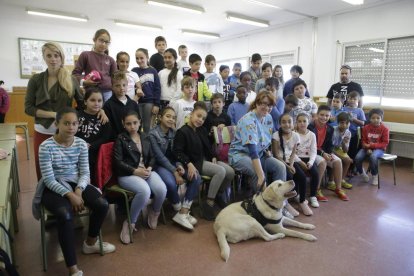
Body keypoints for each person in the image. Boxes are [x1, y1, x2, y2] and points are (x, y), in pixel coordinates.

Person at [35, 107, 115, 276]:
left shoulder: (80, 144)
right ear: (57, 124)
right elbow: (48, 179)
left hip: (75, 182)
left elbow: (85, 172)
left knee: (102, 204)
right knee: (65, 215)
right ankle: (72, 268)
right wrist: (70, 195)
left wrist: (78, 191)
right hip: (53, 186)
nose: (71, 127)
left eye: (74, 123)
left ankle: (90, 243)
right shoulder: (45, 146)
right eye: (66, 123)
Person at [25, 42, 89, 180]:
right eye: (49, 55)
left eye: (56, 55)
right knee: (42, 172)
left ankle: (64, 197)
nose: (53, 59)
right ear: (44, 57)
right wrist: (54, 114)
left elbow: (82, 105)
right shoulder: (36, 80)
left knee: (65, 171)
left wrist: (98, 111)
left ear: (61, 57)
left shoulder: (71, 80)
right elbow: (28, 108)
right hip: (42, 131)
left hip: (65, 133)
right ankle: (44, 199)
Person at [173, 101, 235, 221]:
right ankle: (208, 203)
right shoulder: (182, 131)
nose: (200, 120)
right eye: (198, 116)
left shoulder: (201, 130)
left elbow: (207, 147)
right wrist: (188, 163)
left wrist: (213, 156)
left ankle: (217, 194)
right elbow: (177, 152)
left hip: (206, 160)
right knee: (221, 171)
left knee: (230, 172)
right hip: (195, 163)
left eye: (203, 118)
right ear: (191, 114)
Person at [113, 110, 167, 243]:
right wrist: (135, 171)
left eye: (135, 123)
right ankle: (130, 222)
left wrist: (149, 168)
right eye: (128, 123)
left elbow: (153, 157)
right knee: (145, 191)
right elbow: (117, 162)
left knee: (162, 189)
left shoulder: (145, 136)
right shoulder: (121, 139)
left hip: (145, 171)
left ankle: (154, 213)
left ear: (140, 123)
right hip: (127, 174)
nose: (132, 126)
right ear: (123, 124)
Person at [149, 107, 201, 230]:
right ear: (160, 117)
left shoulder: (174, 132)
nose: (171, 119)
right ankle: (179, 212)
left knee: (195, 177)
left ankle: (184, 212)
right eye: (168, 116)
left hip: (173, 164)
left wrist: (179, 165)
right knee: (171, 183)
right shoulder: (153, 133)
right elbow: (159, 157)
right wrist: (174, 171)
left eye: (173, 117)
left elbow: (176, 153)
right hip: (159, 165)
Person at [228, 90, 286, 195]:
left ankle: (281, 202)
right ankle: (264, 202)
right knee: (257, 172)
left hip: (259, 154)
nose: (267, 107)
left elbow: (264, 138)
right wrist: (261, 176)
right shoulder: (248, 120)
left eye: (270, 105)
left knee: (280, 166)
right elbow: (252, 151)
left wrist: (267, 150)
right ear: (257, 103)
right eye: (263, 103)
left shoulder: (268, 117)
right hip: (240, 155)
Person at [272, 113, 312, 216]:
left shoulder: (295, 135)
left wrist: (292, 165)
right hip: (280, 162)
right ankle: (286, 203)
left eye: (289, 122)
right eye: (283, 122)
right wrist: (288, 167)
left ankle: (302, 201)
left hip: (290, 161)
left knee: (302, 176)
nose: (287, 124)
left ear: (293, 123)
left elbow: (293, 153)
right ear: (280, 124)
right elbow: (276, 155)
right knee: (289, 178)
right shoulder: (276, 135)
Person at [308, 105, 349, 201]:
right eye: (322, 115)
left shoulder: (330, 128)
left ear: (330, 117)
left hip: (323, 152)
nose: (324, 117)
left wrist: (330, 154)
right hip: (311, 153)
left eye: (327, 115)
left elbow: (329, 145)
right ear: (317, 115)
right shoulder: (310, 127)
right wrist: (323, 154)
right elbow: (310, 146)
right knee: (323, 162)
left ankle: (338, 188)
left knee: (337, 161)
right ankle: (316, 189)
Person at [76, 88, 112, 185]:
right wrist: (80, 144)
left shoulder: (103, 118)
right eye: (92, 100)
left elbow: (106, 137)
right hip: (76, 154)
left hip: (94, 155)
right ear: (85, 101)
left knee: (90, 180)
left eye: (99, 101)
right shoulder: (77, 116)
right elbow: (71, 134)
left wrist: (91, 145)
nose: (96, 103)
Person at [72, 29, 117, 102]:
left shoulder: (111, 60)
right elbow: (75, 74)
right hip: (91, 92)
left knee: (107, 112)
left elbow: (116, 78)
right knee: (93, 112)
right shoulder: (85, 55)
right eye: (101, 40)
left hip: (107, 92)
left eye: (106, 42)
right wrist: (84, 82)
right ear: (94, 40)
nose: (103, 44)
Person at [354, 108, 389, 185]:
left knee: (373, 156)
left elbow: (385, 143)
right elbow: (363, 140)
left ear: (381, 118)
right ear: (369, 119)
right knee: (357, 158)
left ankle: (374, 175)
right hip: (366, 148)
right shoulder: (366, 128)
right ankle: (362, 173)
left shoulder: (385, 129)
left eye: (378, 118)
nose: (375, 120)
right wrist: (368, 148)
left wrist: (371, 146)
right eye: (373, 118)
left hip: (379, 149)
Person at [132, 48, 161, 133]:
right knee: (138, 125)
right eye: (137, 58)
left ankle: (148, 145)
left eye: (141, 58)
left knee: (147, 126)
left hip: (150, 102)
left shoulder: (153, 71)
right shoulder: (134, 71)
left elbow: (157, 88)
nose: (139, 60)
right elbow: (131, 86)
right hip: (137, 102)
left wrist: (157, 104)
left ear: (147, 57)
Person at [103, 71, 140, 136]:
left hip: (133, 139)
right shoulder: (108, 105)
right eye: (117, 85)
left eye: (124, 85)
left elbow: (139, 122)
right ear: (112, 87)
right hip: (117, 140)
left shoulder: (133, 104)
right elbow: (109, 127)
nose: (122, 88)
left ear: (127, 85)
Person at [295, 113, 320, 209]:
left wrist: (310, 162)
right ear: (296, 123)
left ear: (308, 122)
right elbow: (292, 152)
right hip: (296, 159)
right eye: (299, 121)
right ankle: (299, 196)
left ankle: (313, 196)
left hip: (308, 159)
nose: (302, 123)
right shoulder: (294, 134)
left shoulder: (312, 135)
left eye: (304, 121)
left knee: (315, 173)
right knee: (300, 175)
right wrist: (299, 162)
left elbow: (314, 151)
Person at [331, 112, 353, 189]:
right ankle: (331, 181)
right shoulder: (333, 130)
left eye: (347, 123)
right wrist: (341, 157)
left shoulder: (348, 133)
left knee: (348, 160)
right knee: (339, 159)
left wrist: (343, 142)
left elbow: (345, 151)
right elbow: (330, 148)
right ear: (338, 122)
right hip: (331, 150)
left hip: (339, 150)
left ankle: (341, 180)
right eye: (342, 123)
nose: (345, 125)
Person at [343, 91, 366, 160]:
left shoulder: (360, 111)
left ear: (358, 100)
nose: (352, 100)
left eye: (354, 99)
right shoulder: (343, 109)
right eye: (350, 98)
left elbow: (362, 123)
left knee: (352, 151)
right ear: (347, 99)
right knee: (343, 150)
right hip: (343, 134)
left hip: (354, 135)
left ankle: (351, 167)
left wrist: (353, 119)